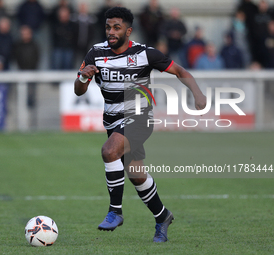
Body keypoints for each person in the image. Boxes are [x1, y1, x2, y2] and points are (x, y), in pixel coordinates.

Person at [74, 7, 206, 243]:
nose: (111, 32)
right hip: (113, 120)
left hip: (140, 118)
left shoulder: (145, 54)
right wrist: (84, 76)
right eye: (108, 27)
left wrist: (197, 94)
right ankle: (162, 216)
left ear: (129, 30)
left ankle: (115, 211)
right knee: (136, 174)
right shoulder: (95, 53)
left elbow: (179, 70)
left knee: (108, 151)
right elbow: (79, 89)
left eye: (117, 27)